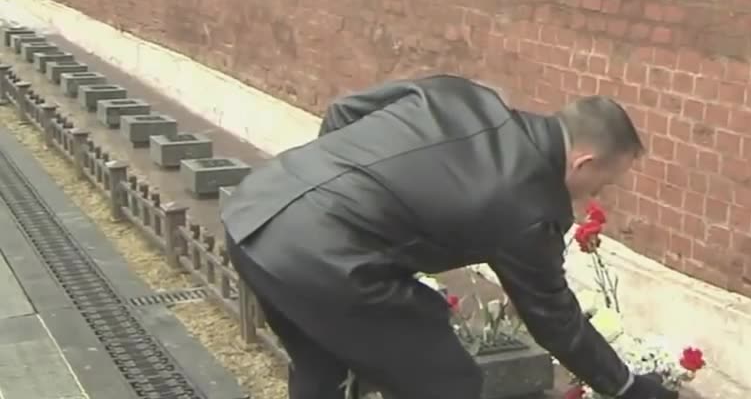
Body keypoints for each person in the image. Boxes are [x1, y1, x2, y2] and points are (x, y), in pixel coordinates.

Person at [220, 74, 678, 399]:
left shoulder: (459, 94)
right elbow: (555, 320)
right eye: (603, 184)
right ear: (584, 163)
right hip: (324, 261)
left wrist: (336, 191)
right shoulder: (529, 205)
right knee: (447, 383)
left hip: (254, 210)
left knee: (322, 373)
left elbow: (345, 110)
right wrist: (627, 387)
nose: (598, 196)